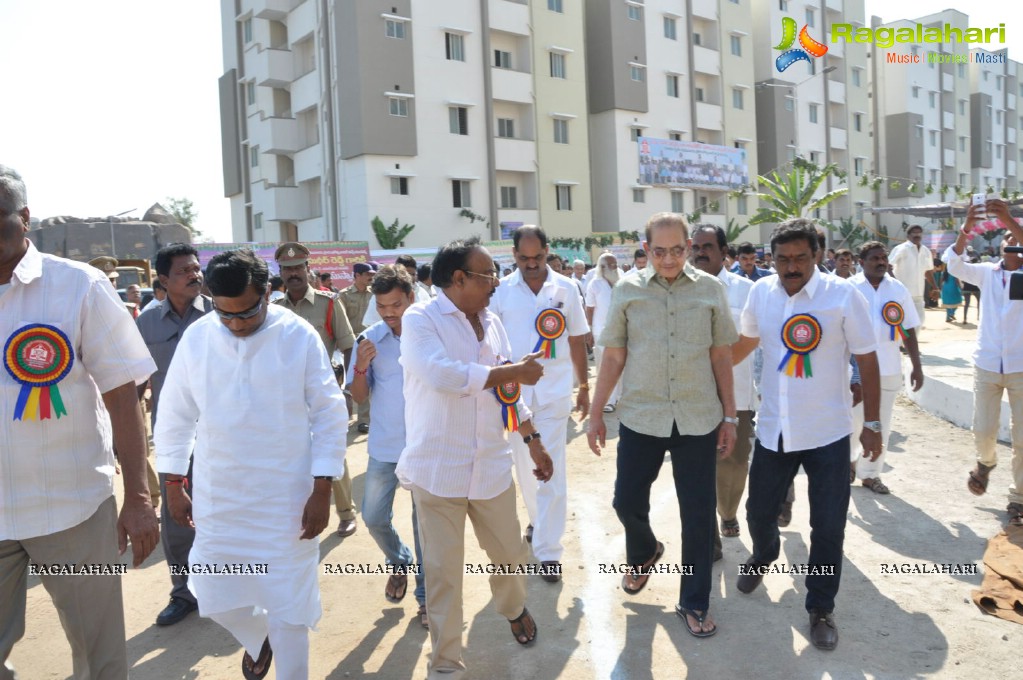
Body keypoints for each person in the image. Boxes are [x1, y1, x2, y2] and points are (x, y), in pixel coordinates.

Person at [155, 248, 346, 679]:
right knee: (214, 592)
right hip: (220, 495)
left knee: (289, 606)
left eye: (247, 313)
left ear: (266, 292)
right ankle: (260, 638)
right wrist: (172, 484)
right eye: (226, 315)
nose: (237, 324)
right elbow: (175, 413)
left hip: (287, 498)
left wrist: (322, 489)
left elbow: (329, 414)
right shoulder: (199, 337)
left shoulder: (296, 335)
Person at [0, 165, 159, 678]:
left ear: (24, 218)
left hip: (72, 510)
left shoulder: (78, 287)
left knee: (101, 658)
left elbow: (122, 395)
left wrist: (137, 497)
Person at [396, 237, 554, 678]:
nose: (496, 283)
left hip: (490, 467)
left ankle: (512, 606)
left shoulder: (492, 321)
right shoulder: (420, 318)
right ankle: (446, 663)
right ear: (459, 278)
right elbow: (443, 375)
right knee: (444, 574)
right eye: (489, 275)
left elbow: (507, 393)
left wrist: (532, 437)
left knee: (511, 555)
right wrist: (513, 372)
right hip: (436, 471)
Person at [732, 218, 881, 651]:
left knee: (828, 526)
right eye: (782, 259)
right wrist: (708, 364)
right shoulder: (761, 293)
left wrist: (871, 424)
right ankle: (763, 555)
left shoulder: (843, 296)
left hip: (829, 433)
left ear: (817, 255)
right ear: (771, 259)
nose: (791, 266)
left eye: (800, 257)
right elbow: (744, 345)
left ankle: (819, 607)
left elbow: (867, 362)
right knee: (758, 512)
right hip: (775, 429)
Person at [588, 212, 738, 638]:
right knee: (625, 501)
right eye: (659, 251)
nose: (668, 259)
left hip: (698, 417)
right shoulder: (627, 290)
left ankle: (694, 602)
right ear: (646, 248)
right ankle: (645, 551)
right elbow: (614, 357)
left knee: (696, 515)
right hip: (641, 416)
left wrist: (729, 416)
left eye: (676, 250)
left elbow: (721, 356)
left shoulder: (711, 290)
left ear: (689, 248)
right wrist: (597, 413)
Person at [490, 226, 590, 583]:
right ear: (513, 256)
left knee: (552, 470)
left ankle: (549, 552)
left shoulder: (566, 288)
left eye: (538, 258)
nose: (532, 265)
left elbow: (577, 339)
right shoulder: (499, 292)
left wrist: (584, 387)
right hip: (513, 397)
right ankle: (537, 522)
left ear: (548, 252)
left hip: (553, 392)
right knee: (526, 470)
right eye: (524, 259)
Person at [135, 243, 213, 627]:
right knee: (177, 513)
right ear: (163, 280)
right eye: (184, 270)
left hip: (221, 435)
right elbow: (134, 384)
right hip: (174, 438)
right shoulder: (146, 323)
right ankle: (183, 593)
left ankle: (226, 589)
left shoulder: (220, 314)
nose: (194, 274)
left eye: (197, 268)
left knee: (224, 511)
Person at [347, 265, 429, 626]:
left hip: (425, 447)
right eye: (382, 306)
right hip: (385, 446)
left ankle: (426, 598)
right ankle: (399, 562)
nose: (390, 312)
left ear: (411, 298)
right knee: (373, 516)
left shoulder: (431, 335)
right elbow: (358, 396)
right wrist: (362, 368)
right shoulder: (369, 340)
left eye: (396, 304)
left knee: (424, 526)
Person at [945, 199, 1023, 526]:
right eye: (1009, 241)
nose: (1013, 244)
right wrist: (967, 227)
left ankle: (1018, 498)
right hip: (987, 364)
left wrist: (1007, 219)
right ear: (1000, 248)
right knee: (983, 429)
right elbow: (953, 263)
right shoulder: (986, 274)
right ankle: (986, 463)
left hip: (1021, 367)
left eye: (1018, 241)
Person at [273, 242, 359, 538]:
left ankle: (346, 513)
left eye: (298, 268)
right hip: (287, 399)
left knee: (332, 454)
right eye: (287, 269)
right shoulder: (274, 310)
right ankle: (298, 512)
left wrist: (345, 391)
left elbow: (349, 347)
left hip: (323, 395)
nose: (293, 273)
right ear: (280, 273)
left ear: (308, 270)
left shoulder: (329, 304)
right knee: (291, 454)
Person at [689, 225, 755, 556]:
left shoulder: (747, 291)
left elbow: (755, 341)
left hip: (737, 396)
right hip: (692, 397)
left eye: (708, 246)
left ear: (723, 251)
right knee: (696, 468)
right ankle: (708, 537)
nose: (700, 252)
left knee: (735, 462)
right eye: (696, 246)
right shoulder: (679, 290)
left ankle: (727, 512)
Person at [848, 242, 924, 494]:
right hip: (856, 370)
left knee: (882, 423)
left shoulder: (897, 288)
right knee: (854, 421)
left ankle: (871, 474)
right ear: (861, 261)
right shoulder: (849, 288)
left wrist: (916, 365)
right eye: (874, 258)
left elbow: (909, 328)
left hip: (889, 366)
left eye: (883, 258)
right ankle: (849, 463)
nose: (881, 262)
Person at [339, 262, 375, 433]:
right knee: (352, 380)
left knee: (366, 378)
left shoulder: (373, 294)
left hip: (371, 342)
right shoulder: (344, 295)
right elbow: (341, 321)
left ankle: (364, 419)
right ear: (357, 276)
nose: (371, 277)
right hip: (351, 344)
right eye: (367, 274)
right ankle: (347, 414)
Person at [586, 253, 623, 413]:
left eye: (615, 264)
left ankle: (620, 397)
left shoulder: (623, 281)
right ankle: (607, 400)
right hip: (601, 331)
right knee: (604, 367)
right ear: (602, 267)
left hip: (622, 331)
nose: (615, 267)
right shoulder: (595, 284)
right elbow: (589, 308)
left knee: (622, 365)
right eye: (611, 265)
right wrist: (587, 330)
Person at [889, 225, 934, 330]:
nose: (917, 235)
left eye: (919, 233)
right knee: (902, 323)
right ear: (908, 235)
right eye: (914, 232)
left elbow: (928, 271)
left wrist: (935, 287)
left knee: (918, 322)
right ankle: (900, 346)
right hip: (902, 294)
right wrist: (895, 285)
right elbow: (888, 266)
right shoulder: (901, 249)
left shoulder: (926, 251)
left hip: (918, 295)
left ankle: (910, 346)